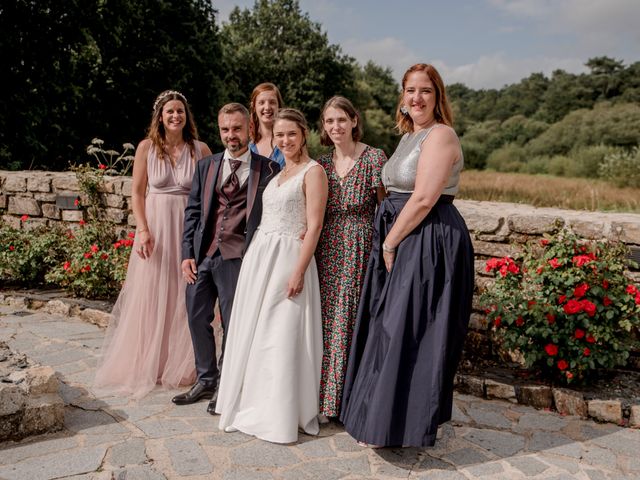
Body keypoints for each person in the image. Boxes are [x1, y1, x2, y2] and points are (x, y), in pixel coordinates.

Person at [340, 64, 475, 448]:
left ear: (438, 98)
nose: (417, 98)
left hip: (428, 237)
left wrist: (389, 242)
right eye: (410, 90)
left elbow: (424, 198)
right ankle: (381, 419)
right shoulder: (409, 137)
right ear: (402, 96)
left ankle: (401, 425)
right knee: (389, 326)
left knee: (408, 328)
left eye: (426, 91)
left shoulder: (441, 135)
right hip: (403, 233)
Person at [215, 108, 328, 444]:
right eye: (279, 135)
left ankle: (281, 415)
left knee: (281, 335)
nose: (285, 140)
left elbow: (315, 226)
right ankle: (251, 404)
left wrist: (299, 271)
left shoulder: (313, 172)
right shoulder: (278, 172)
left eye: (291, 134)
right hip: (261, 258)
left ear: (304, 134)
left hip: (289, 260)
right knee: (256, 332)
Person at [94, 90, 212, 399]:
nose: (176, 116)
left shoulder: (200, 149)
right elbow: (137, 192)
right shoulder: (147, 148)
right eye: (170, 111)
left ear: (187, 117)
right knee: (154, 294)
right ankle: (153, 363)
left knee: (187, 294)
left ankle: (186, 364)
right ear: (160, 117)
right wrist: (143, 229)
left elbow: (210, 197)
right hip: (157, 229)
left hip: (189, 230)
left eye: (180, 111)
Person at [172, 103, 280, 413]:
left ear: (250, 129)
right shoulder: (206, 166)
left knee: (234, 324)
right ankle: (206, 378)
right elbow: (192, 212)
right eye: (225, 129)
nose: (231, 135)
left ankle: (226, 385)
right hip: (204, 255)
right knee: (195, 315)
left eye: (236, 128)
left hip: (240, 258)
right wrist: (186, 255)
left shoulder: (269, 170)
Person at [315, 96, 387, 420]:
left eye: (341, 120)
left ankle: (346, 402)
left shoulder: (374, 158)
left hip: (360, 247)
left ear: (354, 121)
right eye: (329, 121)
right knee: (326, 322)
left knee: (351, 321)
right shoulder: (321, 164)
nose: (335, 127)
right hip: (326, 248)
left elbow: (385, 210)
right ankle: (323, 400)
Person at [248, 82, 285, 167]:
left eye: (272, 102)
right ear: (254, 107)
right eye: (261, 102)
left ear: (279, 106)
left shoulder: (289, 141)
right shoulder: (247, 146)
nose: (267, 107)